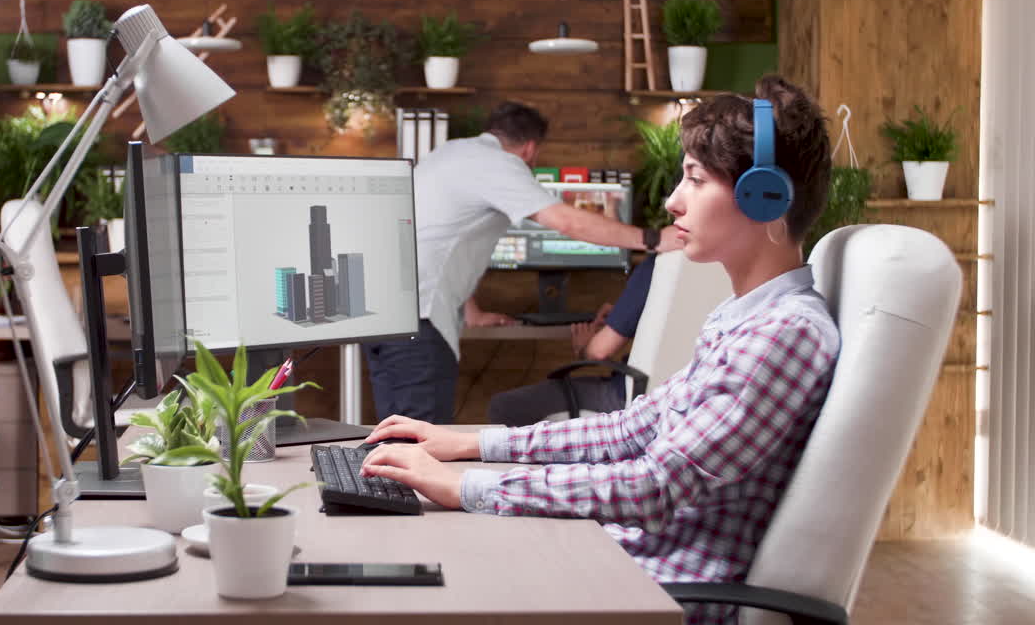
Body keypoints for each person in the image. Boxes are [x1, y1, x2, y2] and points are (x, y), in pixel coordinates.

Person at [358, 75, 839, 625]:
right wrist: (466, 444)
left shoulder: (784, 334)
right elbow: (628, 430)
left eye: (695, 180)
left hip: (656, 591)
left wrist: (464, 484)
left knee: (419, 579)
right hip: (624, 562)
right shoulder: (744, 319)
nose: (671, 200)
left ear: (763, 197)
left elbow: (654, 486)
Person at [363, 101, 681, 424]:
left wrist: (472, 312)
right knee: (417, 439)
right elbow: (566, 222)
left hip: (387, 315)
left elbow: (443, 238)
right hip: (420, 321)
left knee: (394, 437)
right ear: (530, 149)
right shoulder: (498, 165)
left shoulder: (450, 154)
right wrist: (654, 240)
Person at [485, 253, 657, 426]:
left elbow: (598, 352)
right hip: (668, 396)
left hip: (627, 398)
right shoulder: (681, 267)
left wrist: (584, 346)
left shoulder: (657, 264)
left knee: (504, 407)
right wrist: (621, 314)